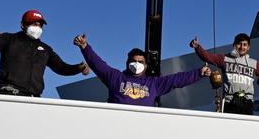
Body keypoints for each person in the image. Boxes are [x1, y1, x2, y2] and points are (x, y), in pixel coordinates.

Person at [73, 34, 209, 106]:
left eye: (141, 62)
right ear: (127, 63)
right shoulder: (115, 77)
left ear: (146, 65)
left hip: (142, 129)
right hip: (116, 127)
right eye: (134, 61)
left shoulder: (153, 84)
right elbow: (97, 64)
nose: (137, 64)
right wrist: (84, 46)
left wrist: (199, 73)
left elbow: (176, 80)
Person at [0, 10, 89, 96]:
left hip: (33, 99)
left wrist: (80, 67)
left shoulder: (46, 49)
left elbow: (62, 68)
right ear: (23, 25)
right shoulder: (9, 39)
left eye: (40, 25)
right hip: (8, 94)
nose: (37, 27)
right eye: (34, 24)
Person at [189, 32, 259, 115]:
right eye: (239, 44)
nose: (242, 47)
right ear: (234, 45)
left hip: (247, 103)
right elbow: (208, 57)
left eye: (245, 45)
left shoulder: (254, 64)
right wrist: (197, 47)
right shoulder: (225, 59)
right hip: (230, 102)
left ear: (248, 47)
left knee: (246, 133)